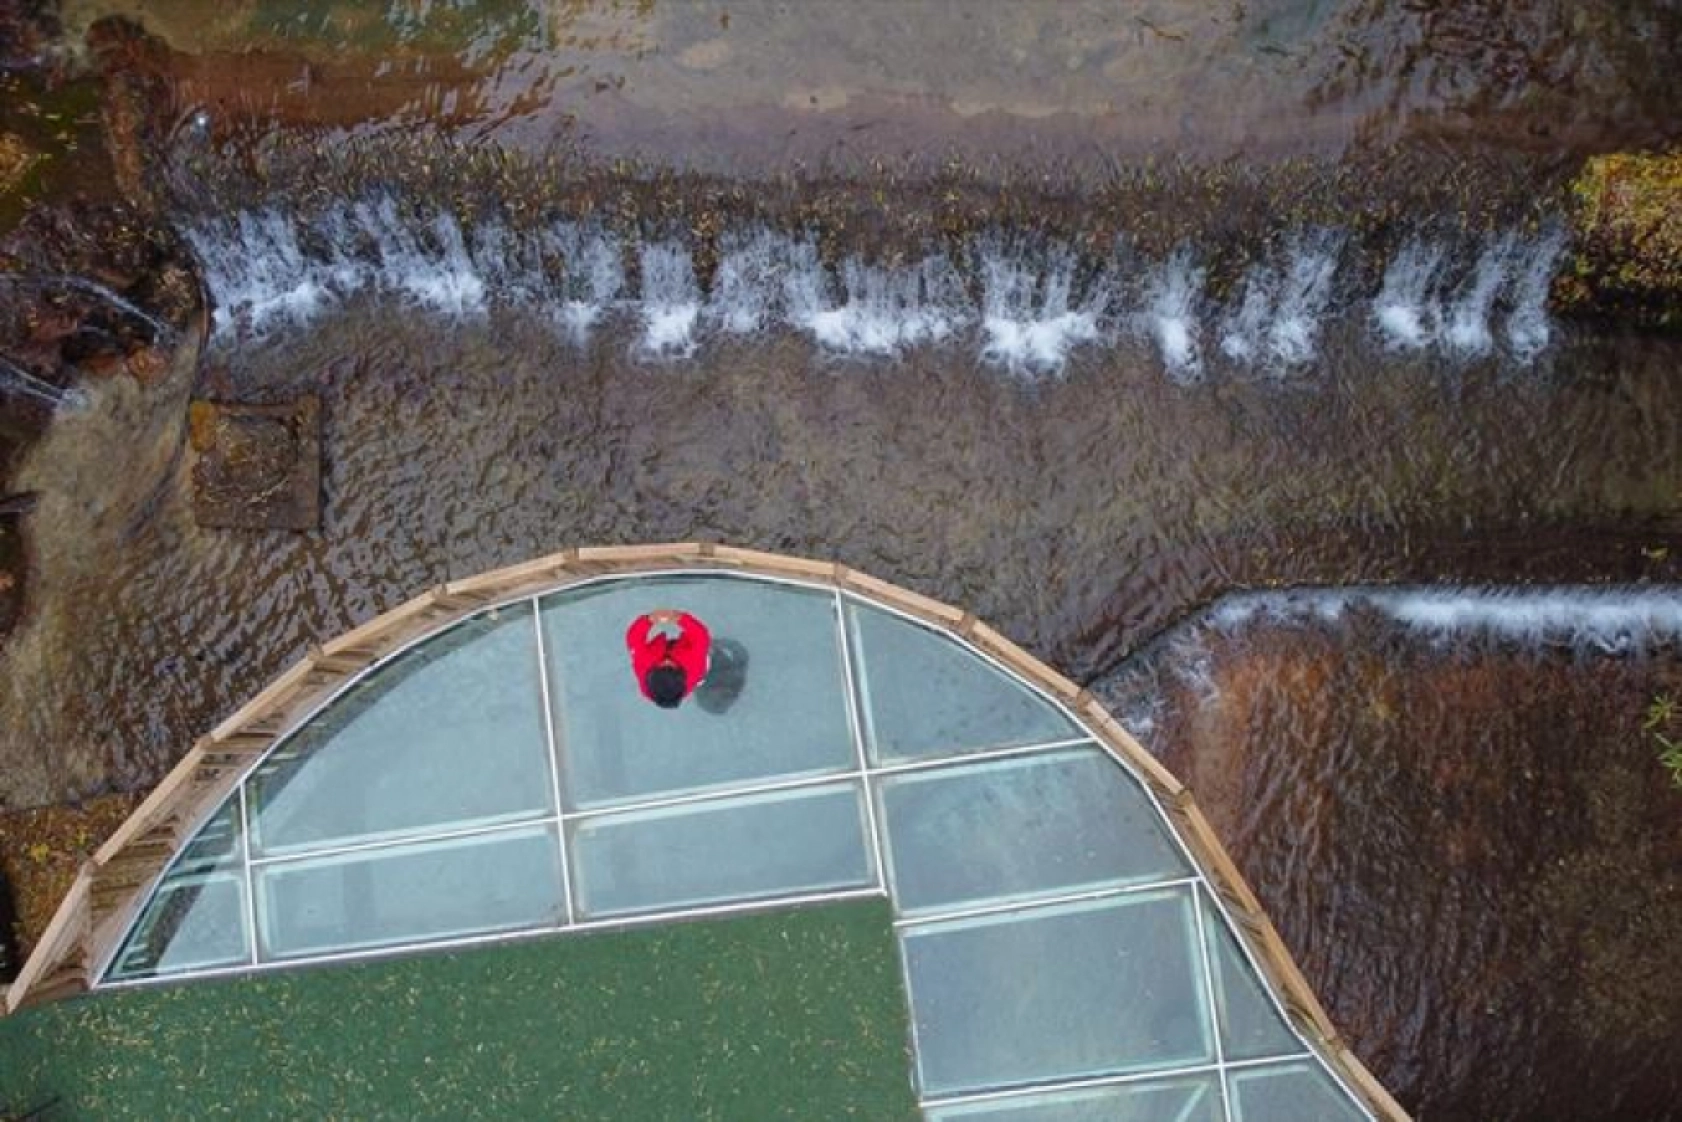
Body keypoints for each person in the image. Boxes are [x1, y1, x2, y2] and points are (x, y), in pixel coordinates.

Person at [626, 609, 711, 709]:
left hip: (663, 655)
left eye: (662, 666)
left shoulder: (643, 664)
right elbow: (701, 636)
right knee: (704, 651)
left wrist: (648, 620)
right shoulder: (694, 665)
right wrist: (681, 619)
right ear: (681, 674)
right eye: (670, 666)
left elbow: (634, 638)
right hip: (691, 663)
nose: (666, 661)